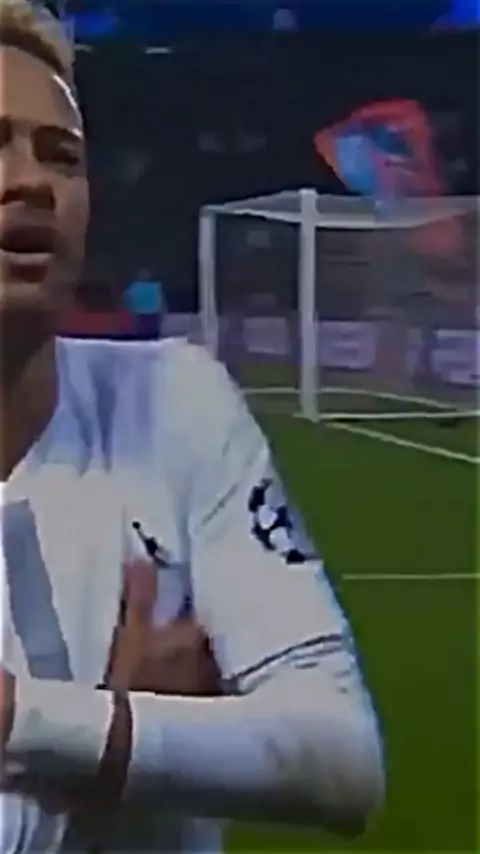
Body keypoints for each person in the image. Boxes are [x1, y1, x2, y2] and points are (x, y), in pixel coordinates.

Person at [0, 1, 385, 852]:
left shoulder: (173, 397)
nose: (33, 181)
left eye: (62, 155)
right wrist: (132, 759)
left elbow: (342, 760)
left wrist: (37, 723)